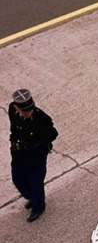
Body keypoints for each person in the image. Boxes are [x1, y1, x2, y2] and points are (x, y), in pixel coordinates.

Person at [9, 89, 58, 222]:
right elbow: (14, 127)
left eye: (30, 109)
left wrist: (39, 142)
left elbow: (53, 134)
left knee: (36, 182)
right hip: (19, 153)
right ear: (16, 107)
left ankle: (38, 207)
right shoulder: (12, 110)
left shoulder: (42, 118)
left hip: (36, 156)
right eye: (25, 111)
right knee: (17, 178)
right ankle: (31, 196)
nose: (28, 113)